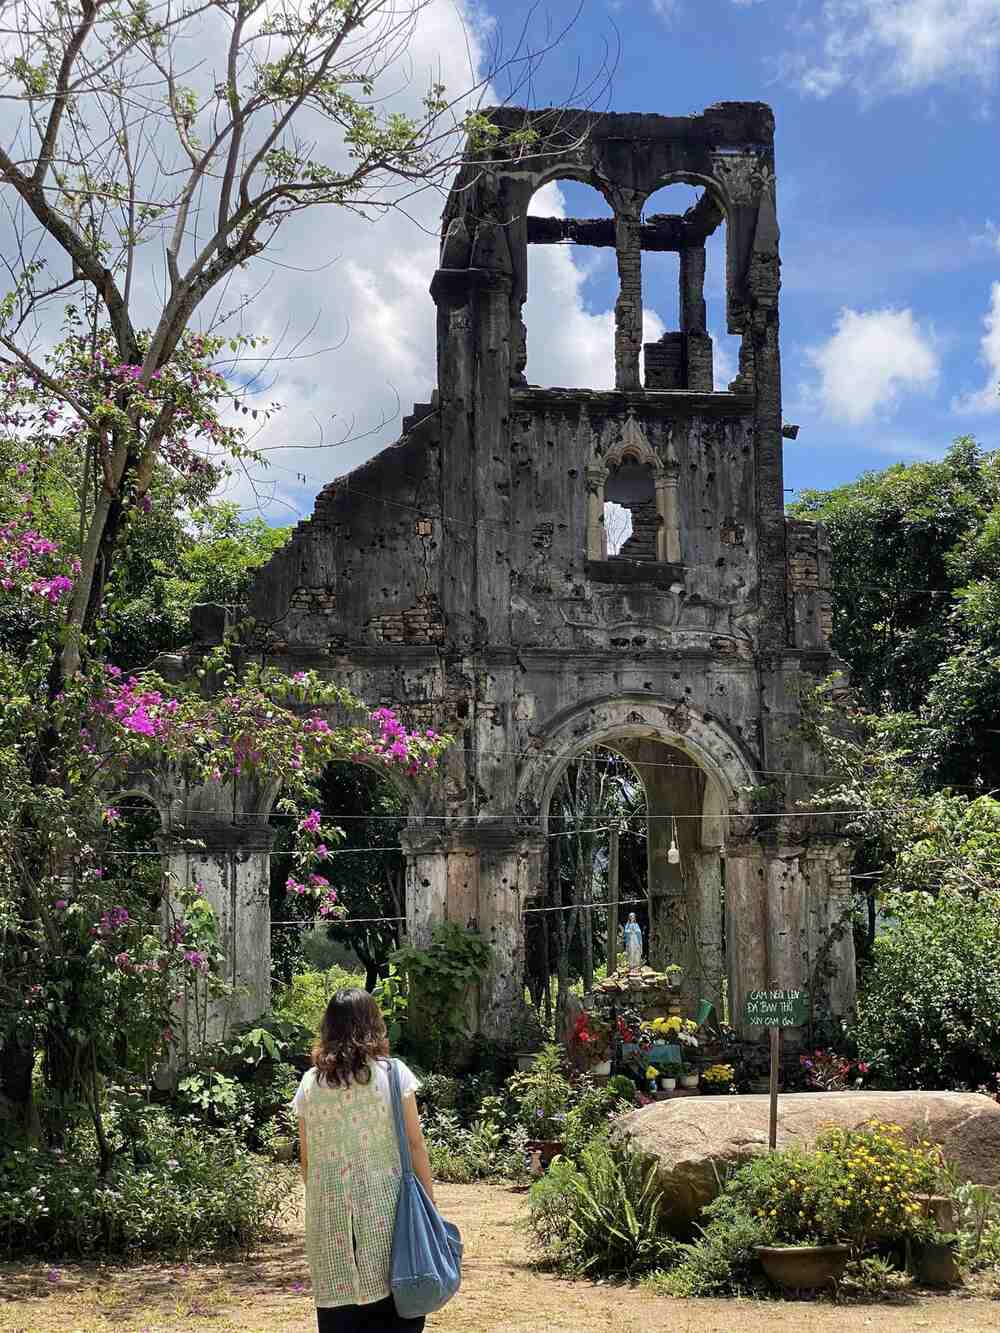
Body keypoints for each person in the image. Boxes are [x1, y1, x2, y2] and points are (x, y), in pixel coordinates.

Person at [292, 988, 436, 1332]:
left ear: (329, 1028)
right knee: (397, 1312)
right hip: (388, 1218)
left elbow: (307, 1160)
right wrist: (430, 1204)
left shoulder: (310, 1084)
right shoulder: (393, 1075)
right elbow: (416, 1145)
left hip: (330, 1223)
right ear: (374, 1025)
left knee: (340, 1317)